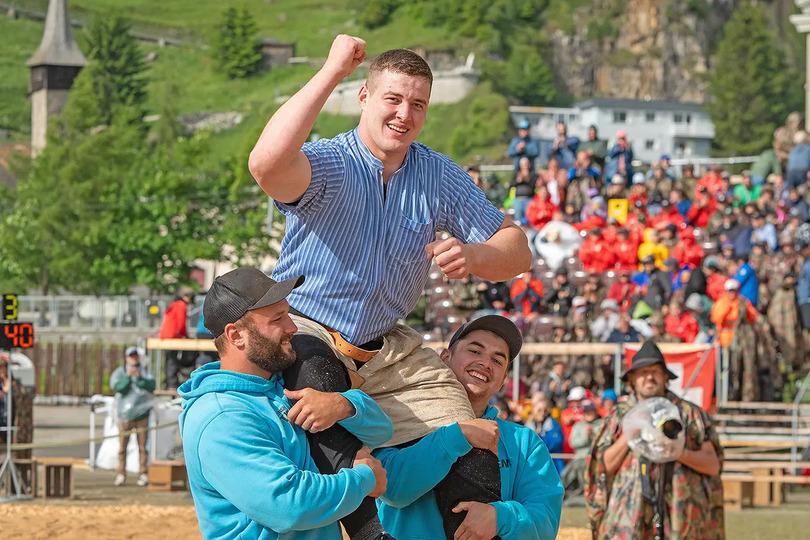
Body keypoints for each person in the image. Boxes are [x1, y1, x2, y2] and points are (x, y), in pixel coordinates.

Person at [248, 36, 532, 539]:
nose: (404, 114)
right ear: (364, 96)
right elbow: (265, 164)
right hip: (309, 325)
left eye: (417, 104)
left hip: (387, 344)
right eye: (393, 99)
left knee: (468, 430)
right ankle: (367, 534)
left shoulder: (437, 173)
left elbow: (518, 252)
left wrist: (474, 255)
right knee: (315, 375)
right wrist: (332, 69)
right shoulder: (330, 160)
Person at [179, 267, 392, 540]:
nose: (292, 327)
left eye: (288, 314)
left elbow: (382, 431)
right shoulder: (220, 417)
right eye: (277, 319)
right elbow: (290, 506)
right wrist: (365, 479)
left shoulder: (283, 382)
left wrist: (344, 405)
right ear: (236, 335)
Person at [374, 315, 564, 539]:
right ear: (445, 358)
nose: (485, 363)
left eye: (497, 360)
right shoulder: (400, 417)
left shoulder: (525, 443)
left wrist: (500, 517)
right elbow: (392, 489)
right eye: (475, 351)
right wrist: (456, 436)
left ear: (503, 380)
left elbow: (546, 522)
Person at [585, 340, 724, 539]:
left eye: (655, 371)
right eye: (643, 372)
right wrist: (631, 432)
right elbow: (603, 466)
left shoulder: (688, 414)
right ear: (632, 379)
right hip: (628, 518)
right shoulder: (618, 417)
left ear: (665, 377)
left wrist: (677, 452)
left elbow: (712, 465)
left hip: (682, 517)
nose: (649, 377)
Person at [110, 347, 156, 487]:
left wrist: (140, 378)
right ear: (126, 357)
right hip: (124, 416)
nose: (134, 358)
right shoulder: (120, 372)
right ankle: (121, 474)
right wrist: (128, 378)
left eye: (135, 356)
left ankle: (143, 473)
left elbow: (151, 385)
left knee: (142, 447)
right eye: (131, 356)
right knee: (122, 447)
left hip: (142, 415)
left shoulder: (145, 371)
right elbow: (118, 387)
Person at [562, 399, 601, 496]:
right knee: (566, 474)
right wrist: (585, 437)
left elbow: (603, 442)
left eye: (591, 410)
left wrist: (593, 436)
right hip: (579, 457)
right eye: (587, 411)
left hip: (596, 457)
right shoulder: (578, 426)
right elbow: (572, 443)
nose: (589, 413)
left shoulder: (601, 424)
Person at [159, 286, 195, 389]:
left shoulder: (174, 304)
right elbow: (181, 324)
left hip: (166, 335)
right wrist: (185, 336)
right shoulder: (181, 305)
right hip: (172, 336)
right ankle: (172, 383)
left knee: (169, 360)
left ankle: (168, 382)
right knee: (172, 360)